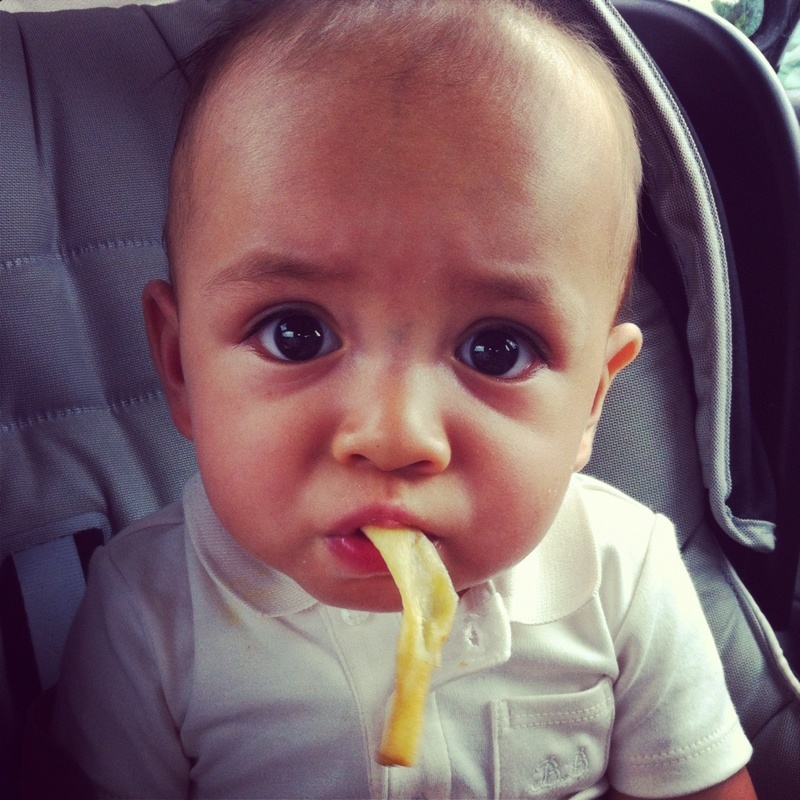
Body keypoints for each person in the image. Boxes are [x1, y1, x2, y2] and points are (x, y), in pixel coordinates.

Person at [52, 0, 757, 797]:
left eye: (497, 350)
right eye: (296, 335)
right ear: (180, 366)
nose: (394, 434)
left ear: (593, 399)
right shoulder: (148, 610)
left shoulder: (623, 572)